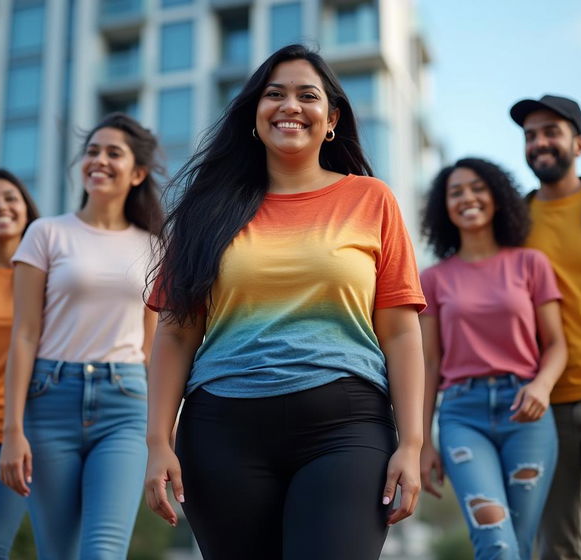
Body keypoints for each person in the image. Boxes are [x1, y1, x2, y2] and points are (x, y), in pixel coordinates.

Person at [144, 44, 426, 560]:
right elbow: (177, 330)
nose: (289, 106)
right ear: (255, 115)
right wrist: (157, 441)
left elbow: (402, 332)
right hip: (220, 435)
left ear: (331, 118)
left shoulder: (371, 199)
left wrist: (411, 443)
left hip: (345, 429)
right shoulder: (208, 209)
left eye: (307, 95)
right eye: (274, 95)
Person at [0, 113, 163, 559]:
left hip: (125, 403)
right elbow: (25, 335)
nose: (99, 160)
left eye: (114, 153)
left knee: (104, 551)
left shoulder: (153, 247)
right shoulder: (45, 233)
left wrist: (162, 435)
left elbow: (154, 349)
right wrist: (12, 430)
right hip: (49, 400)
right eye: (92, 150)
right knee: (59, 553)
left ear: (138, 173)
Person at [419, 157, 567, 560]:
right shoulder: (433, 279)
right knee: (496, 542)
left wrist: (541, 385)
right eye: (456, 192)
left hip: (527, 413)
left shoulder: (530, 264)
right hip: (462, 416)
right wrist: (421, 442)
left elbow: (556, 344)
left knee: (518, 542)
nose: (468, 197)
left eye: (477, 188)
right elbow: (429, 364)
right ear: (444, 207)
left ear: (497, 198)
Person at [509, 94, 581, 560]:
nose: (539, 143)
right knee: (555, 547)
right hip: (541, 406)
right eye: (531, 135)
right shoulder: (510, 225)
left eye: (551, 131)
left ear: (580, 142)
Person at [0, 169, 39, 559]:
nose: (0, 206)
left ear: (26, 208)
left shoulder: (48, 277)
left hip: (14, 435)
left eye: (10, 198)